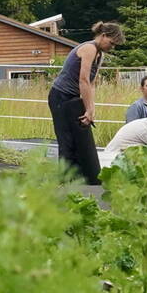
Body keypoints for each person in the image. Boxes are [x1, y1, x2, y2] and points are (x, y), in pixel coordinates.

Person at [48, 20, 123, 185]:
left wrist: (91, 109)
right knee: (66, 139)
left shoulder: (100, 55)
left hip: (74, 98)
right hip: (60, 96)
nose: (112, 47)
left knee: (78, 138)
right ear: (103, 35)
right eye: (111, 43)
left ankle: (77, 178)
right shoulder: (89, 48)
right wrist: (87, 109)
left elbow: (92, 83)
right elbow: (83, 80)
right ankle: (63, 181)